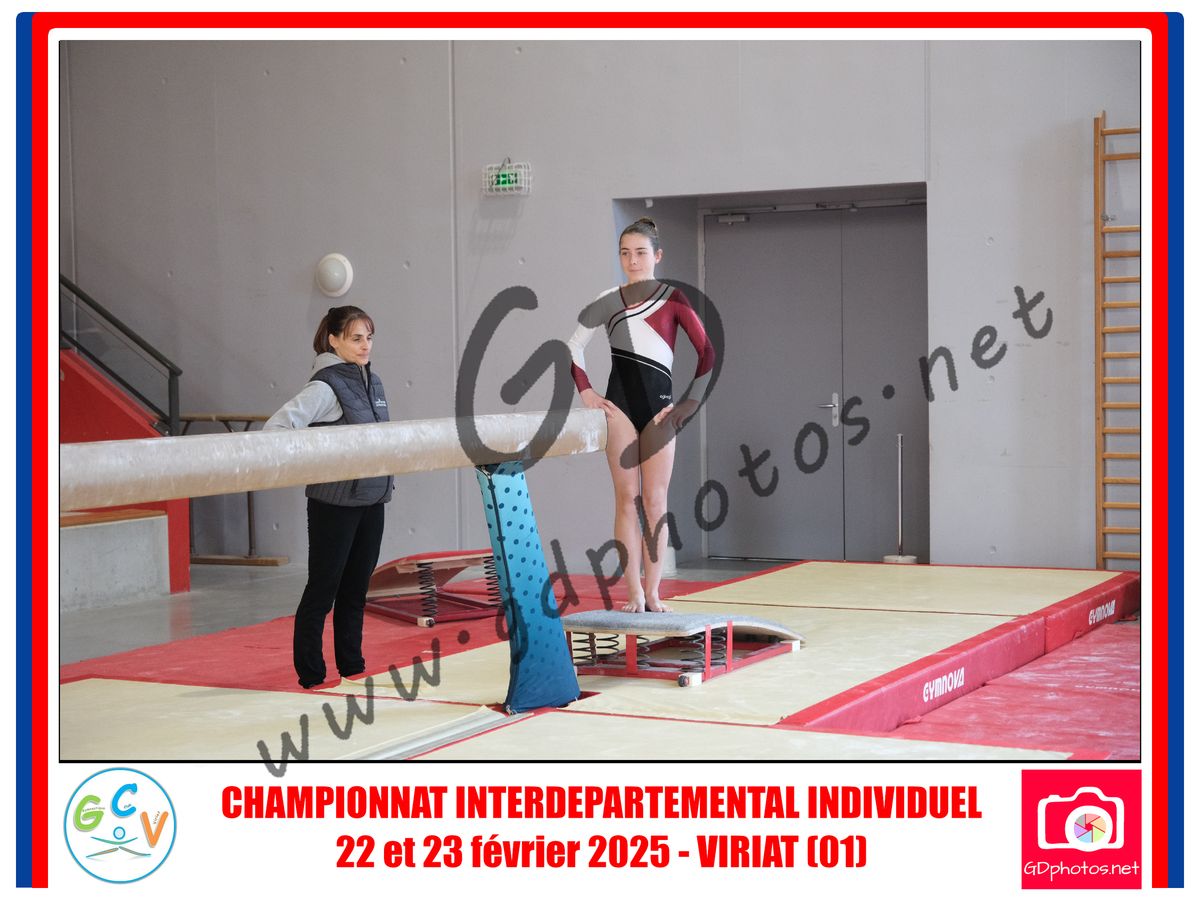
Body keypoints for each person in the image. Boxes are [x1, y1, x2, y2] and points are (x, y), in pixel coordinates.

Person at [567, 218, 715, 613]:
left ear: (657, 256)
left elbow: (707, 352)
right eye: (625, 253)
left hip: (659, 410)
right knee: (626, 500)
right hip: (619, 409)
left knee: (655, 501)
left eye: (640, 253)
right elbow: (573, 346)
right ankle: (633, 592)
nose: (632, 260)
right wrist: (587, 391)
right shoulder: (608, 299)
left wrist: (688, 403)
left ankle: (653, 592)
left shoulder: (674, 299)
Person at [264, 305, 393, 689]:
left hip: (372, 499)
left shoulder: (374, 383)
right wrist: (316, 460)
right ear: (333, 340)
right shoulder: (324, 387)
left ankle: (352, 667)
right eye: (356, 338)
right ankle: (312, 674)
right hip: (334, 505)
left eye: (369, 337)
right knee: (323, 591)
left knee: (356, 591)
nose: (365, 345)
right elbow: (277, 429)